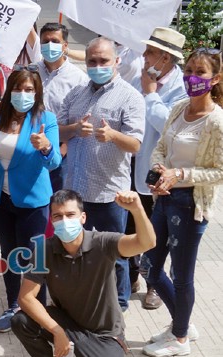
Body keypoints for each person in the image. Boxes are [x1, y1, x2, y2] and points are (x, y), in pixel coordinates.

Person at [11, 189, 156, 357]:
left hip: (104, 335)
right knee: (20, 320)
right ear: (51, 219)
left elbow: (146, 243)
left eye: (70, 214)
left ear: (83, 218)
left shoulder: (103, 242)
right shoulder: (44, 249)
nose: (64, 221)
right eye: (57, 216)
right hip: (68, 324)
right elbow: (26, 298)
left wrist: (137, 208)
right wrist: (57, 330)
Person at [141, 48, 223, 357]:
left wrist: (181, 173)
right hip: (164, 197)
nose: (192, 77)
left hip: (191, 205)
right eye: (189, 70)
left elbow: (220, 170)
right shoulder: (177, 108)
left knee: (181, 275)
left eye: (200, 72)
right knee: (148, 264)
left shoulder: (216, 121)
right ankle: (183, 322)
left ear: (215, 79)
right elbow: (161, 146)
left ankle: (179, 338)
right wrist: (158, 172)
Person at [58, 37, 145, 312]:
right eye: (92, 61)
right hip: (76, 191)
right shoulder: (76, 93)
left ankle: (118, 307)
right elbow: (57, 129)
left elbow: (135, 144)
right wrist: (73, 129)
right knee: (75, 251)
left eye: (103, 61)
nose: (97, 66)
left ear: (117, 61)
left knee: (115, 254)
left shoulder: (130, 96)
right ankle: (82, 300)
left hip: (109, 192)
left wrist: (113, 135)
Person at [0, 66, 61, 332]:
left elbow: (54, 162)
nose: (22, 94)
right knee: (9, 256)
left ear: (37, 93)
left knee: (34, 260)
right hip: (1, 199)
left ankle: (37, 311)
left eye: (29, 90)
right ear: (9, 89)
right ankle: (13, 305)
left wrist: (45, 147)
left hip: (33, 202)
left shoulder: (46, 119)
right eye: (18, 88)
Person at [127, 27, 188, 310]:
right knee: (130, 223)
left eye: (150, 52)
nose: (145, 55)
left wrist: (151, 95)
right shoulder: (141, 77)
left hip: (161, 172)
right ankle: (130, 277)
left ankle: (154, 285)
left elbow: (170, 127)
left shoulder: (182, 87)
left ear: (165, 58)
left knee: (157, 231)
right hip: (131, 164)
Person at [37, 23, 89, 193]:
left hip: (62, 151)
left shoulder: (79, 79)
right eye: (46, 41)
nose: (50, 45)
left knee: (57, 201)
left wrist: (63, 149)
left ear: (65, 45)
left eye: (55, 41)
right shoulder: (31, 72)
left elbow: (80, 119)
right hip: (30, 145)